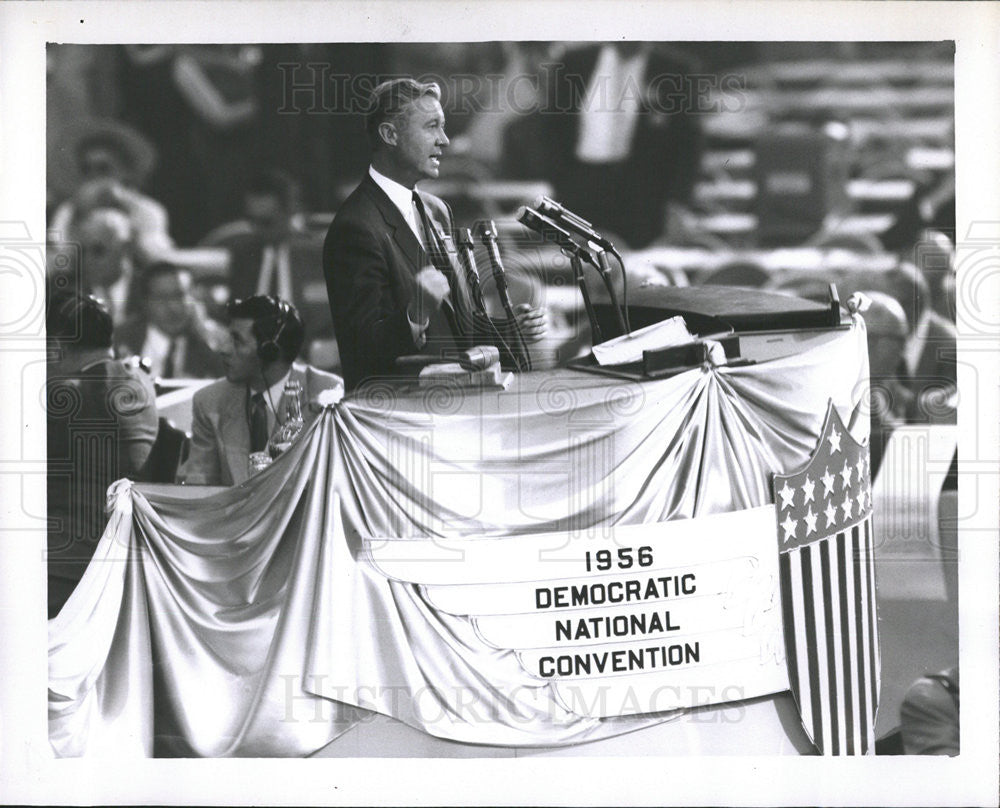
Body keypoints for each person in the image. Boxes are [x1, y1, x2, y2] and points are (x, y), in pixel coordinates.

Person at [322, 78, 547, 390]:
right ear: (390, 134)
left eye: (443, 127)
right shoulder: (355, 227)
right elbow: (363, 354)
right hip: (402, 418)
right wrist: (415, 312)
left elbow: (461, 330)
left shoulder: (436, 210)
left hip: (460, 408)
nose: (445, 140)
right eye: (431, 127)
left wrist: (510, 329)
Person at [46, 290, 159, 617]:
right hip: (123, 551)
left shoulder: (63, 396)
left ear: (57, 346)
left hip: (68, 558)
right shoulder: (139, 379)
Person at [177, 295, 343, 486]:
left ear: (270, 351)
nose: (224, 349)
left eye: (237, 341)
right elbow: (198, 490)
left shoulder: (326, 395)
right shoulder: (209, 401)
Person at [115, 261, 228, 379]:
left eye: (179, 295)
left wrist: (205, 336)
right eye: (162, 298)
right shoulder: (119, 340)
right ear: (145, 303)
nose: (173, 307)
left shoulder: (211, 340)